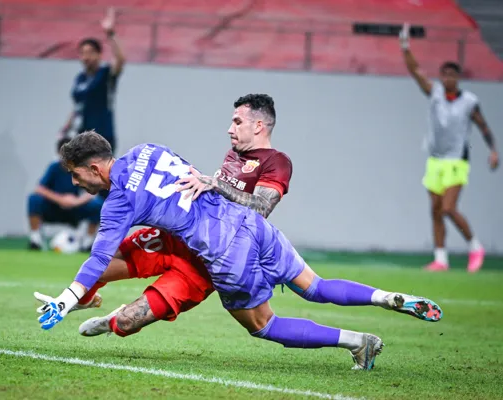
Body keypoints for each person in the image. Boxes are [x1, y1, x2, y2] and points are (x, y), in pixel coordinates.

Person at [34, 132, 443, 371]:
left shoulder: (118, 202)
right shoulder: (147, 149)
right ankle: (384, 297)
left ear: (92, 167)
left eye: (75, 176)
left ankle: (357, 341)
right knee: (314, 286)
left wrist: (66, 299)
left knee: (263, 325)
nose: (76, 185)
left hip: (223, 251)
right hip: (247, 222)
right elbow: (186, 175)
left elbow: (98, 258)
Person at [37, 94, 293, 332]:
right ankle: (86, 297)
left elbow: (261, 207)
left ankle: (108, 318)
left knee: (127, 321)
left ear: (259, 125)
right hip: (172, 240)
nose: (231, 129)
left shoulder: (276, 162)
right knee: (103, 266)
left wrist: (64, 300)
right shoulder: (147, 149)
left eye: (238, 122)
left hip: (210, 259)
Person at [399, 23, 499, 273]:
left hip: (457, 160)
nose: (448, 79)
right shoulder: (435, 94)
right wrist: (405, 47)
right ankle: (441, 259)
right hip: (435, 159)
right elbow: (416, 72)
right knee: (435, 210)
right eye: (445, 75)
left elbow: (483, 125)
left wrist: (493, 149)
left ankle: (475, 246)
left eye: (452, 75)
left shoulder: (469, 102)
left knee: (449, 208)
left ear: (458, 78)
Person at [60, 7, 125, 154]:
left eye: (90, 53)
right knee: (81, 175)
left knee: (100, 175)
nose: (86, 57)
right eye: (82, 53)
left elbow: (120, 60)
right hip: (82, 136)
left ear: (99, 54)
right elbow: (77, 106)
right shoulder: (80, 79)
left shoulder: (105, 74)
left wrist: (111, 34)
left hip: (103, 136)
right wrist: (66, 128)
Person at [27, 137, 103, 251]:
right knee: (33, 200)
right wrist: (60, 199)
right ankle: (35, 240)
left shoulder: (83, 168)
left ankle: (87, 243)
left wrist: (76, 201)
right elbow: (39, 188)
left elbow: (94, 191)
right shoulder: (54, 167)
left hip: (75, 209)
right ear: (58, 153)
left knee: (98, 205)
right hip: (54, 208)